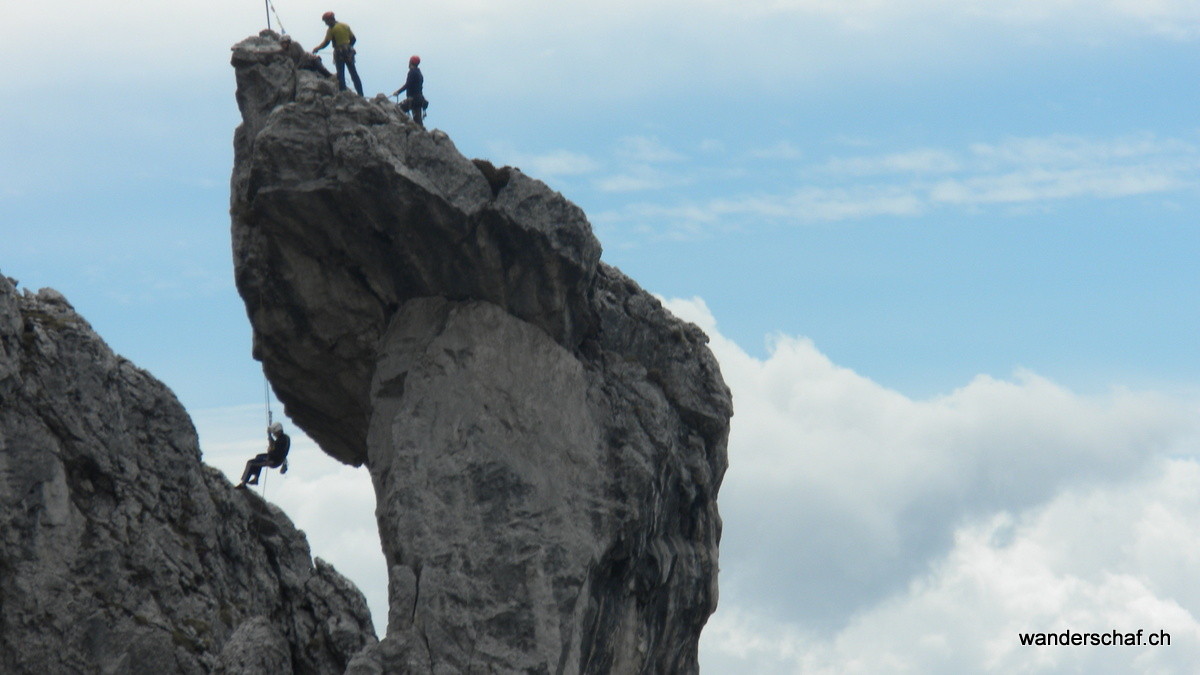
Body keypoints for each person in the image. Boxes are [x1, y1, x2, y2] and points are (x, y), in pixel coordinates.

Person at [312, 11, 364, 96]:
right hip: (349, 51)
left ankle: (343, 93)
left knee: (340, 74)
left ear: (330, 20)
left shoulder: (332, 29)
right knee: (354, 73)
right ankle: (360, 94)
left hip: (339, 52)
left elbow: (326, 42)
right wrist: (349, 47)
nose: (326, 24)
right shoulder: (345, 25)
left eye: (326, 21)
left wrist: (317, 48)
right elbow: (353, 39)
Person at [236, 422, 290, 488]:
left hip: (273, 460)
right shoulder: (285, 438)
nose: (274, 435)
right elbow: (276, 445)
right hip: (278, 459)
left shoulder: (281, 440)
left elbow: (274, 448)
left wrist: (270, 451)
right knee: (258, 456)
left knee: (250, 463)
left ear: (277, 431)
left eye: (274, 433)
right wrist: (269, 435)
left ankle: (243, 484)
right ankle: (256, 479)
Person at [393, 55, 427, 127]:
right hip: (419, 99)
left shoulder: (412, 72)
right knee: (418, 120)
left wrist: (398, 92)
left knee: (397, 110)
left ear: (411, 62)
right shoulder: (419, 74)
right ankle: (422, 134)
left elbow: (407, 85)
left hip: (413, 99)